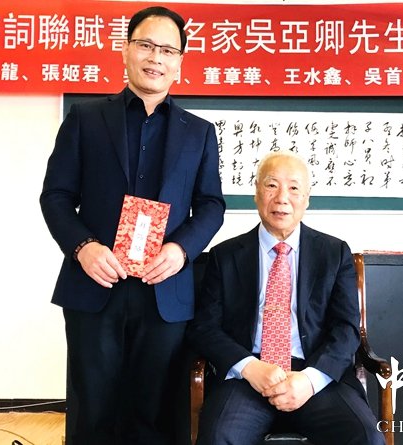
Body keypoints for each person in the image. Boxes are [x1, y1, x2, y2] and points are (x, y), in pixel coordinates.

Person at [39, 6, 225, 445]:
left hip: (164, 290)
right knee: (93, 411)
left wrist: (181, 250)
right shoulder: (85, 118)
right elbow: (56, 196)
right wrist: (83, 246)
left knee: (156, 414)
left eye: (167, 50)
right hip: (95, 283)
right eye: (145, 45)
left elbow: (211, 205)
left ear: (179, 62)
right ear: (125, 50)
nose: (155, 57)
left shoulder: (199, 132)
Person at [186, 151, 384, 445]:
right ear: (256, 193)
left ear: (307, 199)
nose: (281, 198)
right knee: (218, 437)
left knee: (366, 437)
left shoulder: (334, 253)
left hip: (316, 378)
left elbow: (346, 329)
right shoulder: (225, 256)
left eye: (293, 188)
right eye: (271, 185)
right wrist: (250, 368)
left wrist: (310, 380)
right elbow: (205, 328)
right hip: (248, 379)